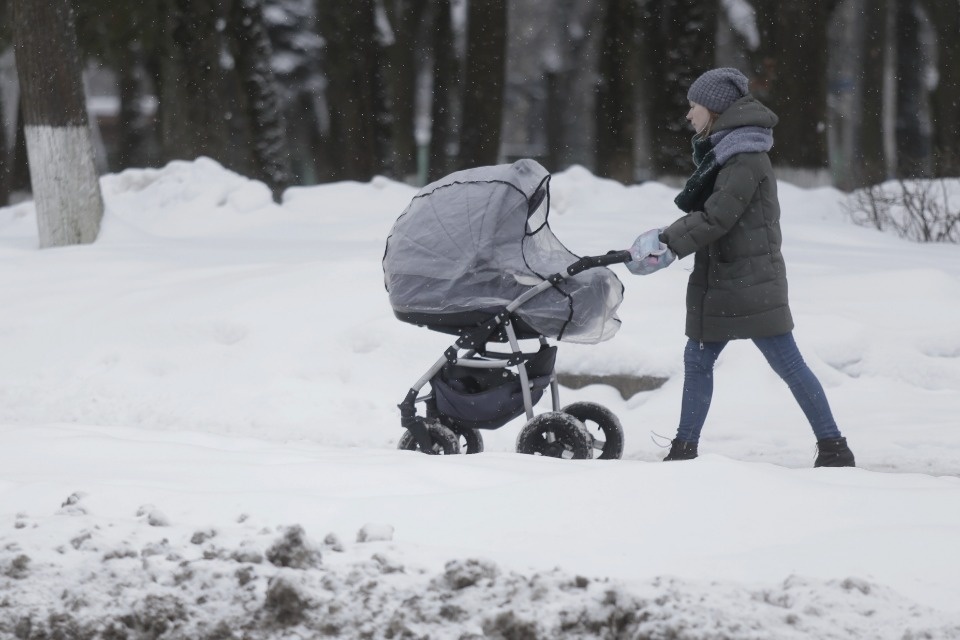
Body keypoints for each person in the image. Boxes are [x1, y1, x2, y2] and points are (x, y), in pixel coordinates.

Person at [627, 67, 855, 468]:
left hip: (748, 281)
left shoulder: (744, 158)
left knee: (788, 365)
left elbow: (718, 217)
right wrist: (668, 241)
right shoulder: (731, 151)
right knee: (698, 360)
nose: (688, 115)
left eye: (693, 106)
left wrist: (667, 242)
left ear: (713, 108)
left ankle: (834, 447)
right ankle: (684, 449)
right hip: (725, 278)